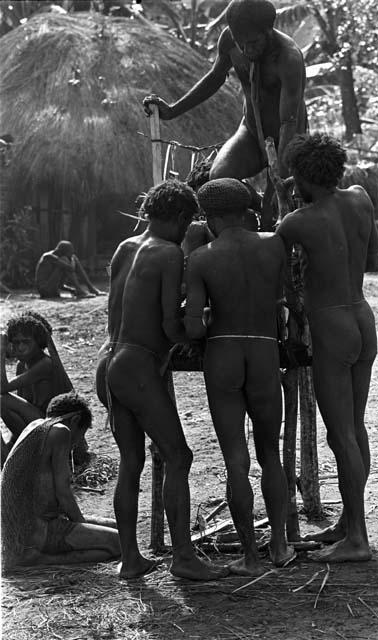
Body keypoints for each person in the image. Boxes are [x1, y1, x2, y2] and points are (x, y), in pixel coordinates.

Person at [95, 179, 228, 581]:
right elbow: (172, 326)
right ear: (182, 218)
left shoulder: (125, 247)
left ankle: (130, 559)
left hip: (107, 361)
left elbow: (120, 309)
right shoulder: (169, 253)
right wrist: (202, 327)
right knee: (179, 455)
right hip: (136, 365)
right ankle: (183, 558)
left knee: (131, 460)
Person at [276, 133, 378, 562]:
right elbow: (373, 262)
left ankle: (357, 539)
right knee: (355, 429)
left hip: (331, 328)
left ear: (301, 176)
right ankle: (350, 525)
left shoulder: (296, 223)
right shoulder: (360, 198)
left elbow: (281, 284)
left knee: (341, 435)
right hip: (361, 317)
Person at [185, 177, 294, 576]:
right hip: (264, 350)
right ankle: (280, 546)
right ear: (246, 210)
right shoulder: (274, 244)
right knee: (270, 454)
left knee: (236, 459)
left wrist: (204, 317)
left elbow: (194, 328)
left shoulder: (201, 258)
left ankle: (249, 556)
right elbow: (284, 301)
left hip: (224, 354)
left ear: (210, 218)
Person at [143, 0, 307, 230]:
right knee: (218, 182)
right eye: (242, 44)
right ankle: (260, 210)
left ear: (268, 30)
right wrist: (172, 111)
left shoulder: (289, 58)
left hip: (288, 138)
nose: (247, 50)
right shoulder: (229, 39)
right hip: (250, 131)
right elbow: (215, 77)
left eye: (253, 43)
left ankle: (272, 213)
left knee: (284, 203)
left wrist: (276, 186)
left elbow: (288, 123)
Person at [1, 392, 120, 572]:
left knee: (118, 527)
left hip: (22, 530)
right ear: (75, 420)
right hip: (37, 531)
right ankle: (40, 559)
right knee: (120, 542)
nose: (79, 442)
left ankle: (33, 556)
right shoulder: (60, 432)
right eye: (82, 434)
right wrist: (82, 525)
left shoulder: (36, 425)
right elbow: (63, 493)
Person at [1, 312, 76, 465]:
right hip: (39, 427)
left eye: (26, 342)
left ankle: (28, 452)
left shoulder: (45, 364)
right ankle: (19, 453)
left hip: (56, 429)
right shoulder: (21, 366)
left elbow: (2, 388)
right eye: (16, 343)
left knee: (2, 400)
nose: (20, 347)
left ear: (38, 342)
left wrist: (1, 351)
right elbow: (19, 409)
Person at [35, 240, 106, 299]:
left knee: (73, 258)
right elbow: (70, 268)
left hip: (53, 289)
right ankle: (80, 291)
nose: (70, 255)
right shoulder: (48, 256)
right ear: (61, 251)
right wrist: (71, 262)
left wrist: (71, 290)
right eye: (69, 252)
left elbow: (60, 285)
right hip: (45, 290)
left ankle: (91, 288)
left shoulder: (60, 257)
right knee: (65, 261)